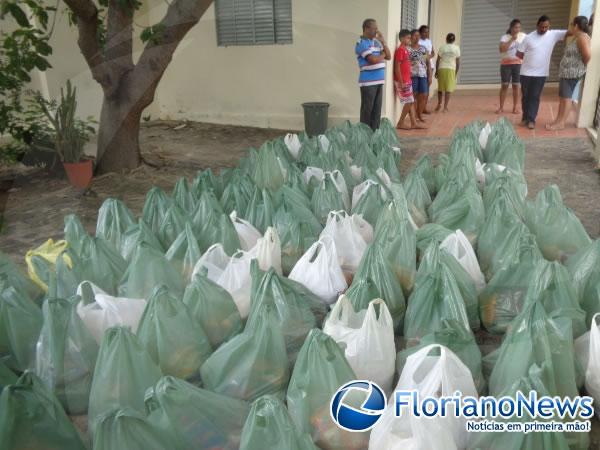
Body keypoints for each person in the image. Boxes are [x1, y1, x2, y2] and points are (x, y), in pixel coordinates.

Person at [516, 15, 569, 130]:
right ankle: (525, 118)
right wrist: (531, 57)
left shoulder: (553, 34)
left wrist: (586, 29)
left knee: (534, 96)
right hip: (525, 73)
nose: (543, 29)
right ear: (537, 25)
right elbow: (518, 54)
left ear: (549, 26)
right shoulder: (528, 37)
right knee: (525, 96)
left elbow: (571, 32)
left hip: (541, 74)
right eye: (541, 27)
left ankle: (531, 120)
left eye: (546, 27)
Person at [547, 16, 592, 130]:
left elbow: (587, 56)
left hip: (572, 73)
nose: (570, 27)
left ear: (576, 26)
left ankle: (561, 123)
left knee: (566, 98)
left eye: (572, 24)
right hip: (566, 73)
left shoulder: (582, 37)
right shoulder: (577, 37)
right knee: (563, 97)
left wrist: (577, 67)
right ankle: (558, 120)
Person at [355, 18, 391, 130]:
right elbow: (373, 60)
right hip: (368, 83)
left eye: (377, 28)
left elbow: (389, 56)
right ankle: (364, 138)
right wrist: (382, 55)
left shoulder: (376, 42)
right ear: (366, 29)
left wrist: (383, 41)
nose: (376, 31)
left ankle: (374, 136)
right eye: (374, 28)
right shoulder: (361, 43)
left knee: (376, 112)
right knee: (367, 112)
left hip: (379, 82)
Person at [394, 29, 425, 130]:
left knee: (411, 101)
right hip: (402, 81)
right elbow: (397, 67)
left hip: (408, 80)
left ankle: (413, 123)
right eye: (408, 38)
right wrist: (401, 81)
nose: (409, 39)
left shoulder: (406, 49)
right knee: (408, 101)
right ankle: (400, 122)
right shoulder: (400, 50)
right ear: (402, 39)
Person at [497, 19, 526, 114]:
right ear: (511, 28)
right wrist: (512, 39)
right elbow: (502, 49)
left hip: (518, 64)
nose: (517, 29)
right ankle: (501, 107)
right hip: (506, 64)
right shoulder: (505, 37)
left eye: (519, 27)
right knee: (504, 85)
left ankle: (515, 107)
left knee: (516, 86)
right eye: (515, 27)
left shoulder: (523, 36)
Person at [408, 29, 431, 122]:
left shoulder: (423, 48)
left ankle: (419, 114)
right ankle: (413, 116)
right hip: (412, 75)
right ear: (411, 37)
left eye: (418, 35)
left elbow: (428, 62)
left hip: (423, 75)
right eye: (415, 36)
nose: (417, 37)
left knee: (424, 95)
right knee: (413, 96)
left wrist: (429, 76)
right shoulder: (408, 49)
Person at [435, 33, 461, 112]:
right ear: (454, 40)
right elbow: (458, 62)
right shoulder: (456, 48)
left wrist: (436, 71)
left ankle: (439, 104)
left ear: (446, 39)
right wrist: (456, 73)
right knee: (448, 89)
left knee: (440, 88)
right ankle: (445, 107)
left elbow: (438, 60)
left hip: (442, 68)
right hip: (451, 69)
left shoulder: (442, 47)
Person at [418, 25, 435, 114]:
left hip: (430, 66)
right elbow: (418, 54)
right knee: (422, 89)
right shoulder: (418, 42)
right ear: (420, 32)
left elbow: (433, 53)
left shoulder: (429, 41)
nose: (426, 33)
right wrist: (426, 57)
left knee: (428, 86)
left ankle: (424, 107)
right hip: (422, 66)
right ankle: (419, 108)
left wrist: (429, 56)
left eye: (427, 31)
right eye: (424, 32)